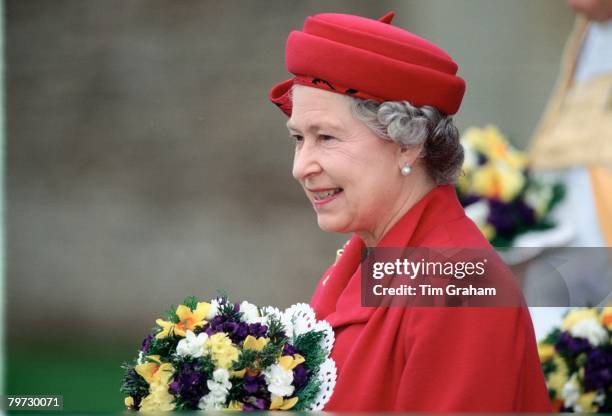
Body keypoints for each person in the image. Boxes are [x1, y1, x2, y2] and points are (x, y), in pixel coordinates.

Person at [269, 11, 551, 412]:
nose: (301, 167)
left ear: (408, 144)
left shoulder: (458, 289)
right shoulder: (362, 258)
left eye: (327, 137)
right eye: (299, 138)